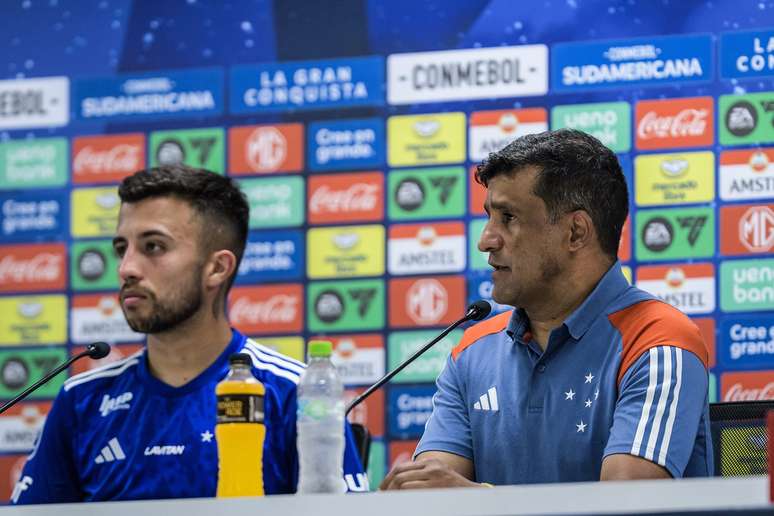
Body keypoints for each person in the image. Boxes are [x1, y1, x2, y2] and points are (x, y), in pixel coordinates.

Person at [12, 165, 367, 504]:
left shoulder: (293, 391)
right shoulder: (81, 400)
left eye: (153, 246)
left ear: (217, 268)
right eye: (122, 249)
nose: (126, 268)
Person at [380, 129, 712, 489]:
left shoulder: (657, 342)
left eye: (508, 218)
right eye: (489, 216)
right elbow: (432, 492)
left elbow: (626, 507)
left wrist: (481, 502)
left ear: (575, 232)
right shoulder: (472, 351)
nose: (485, 240)